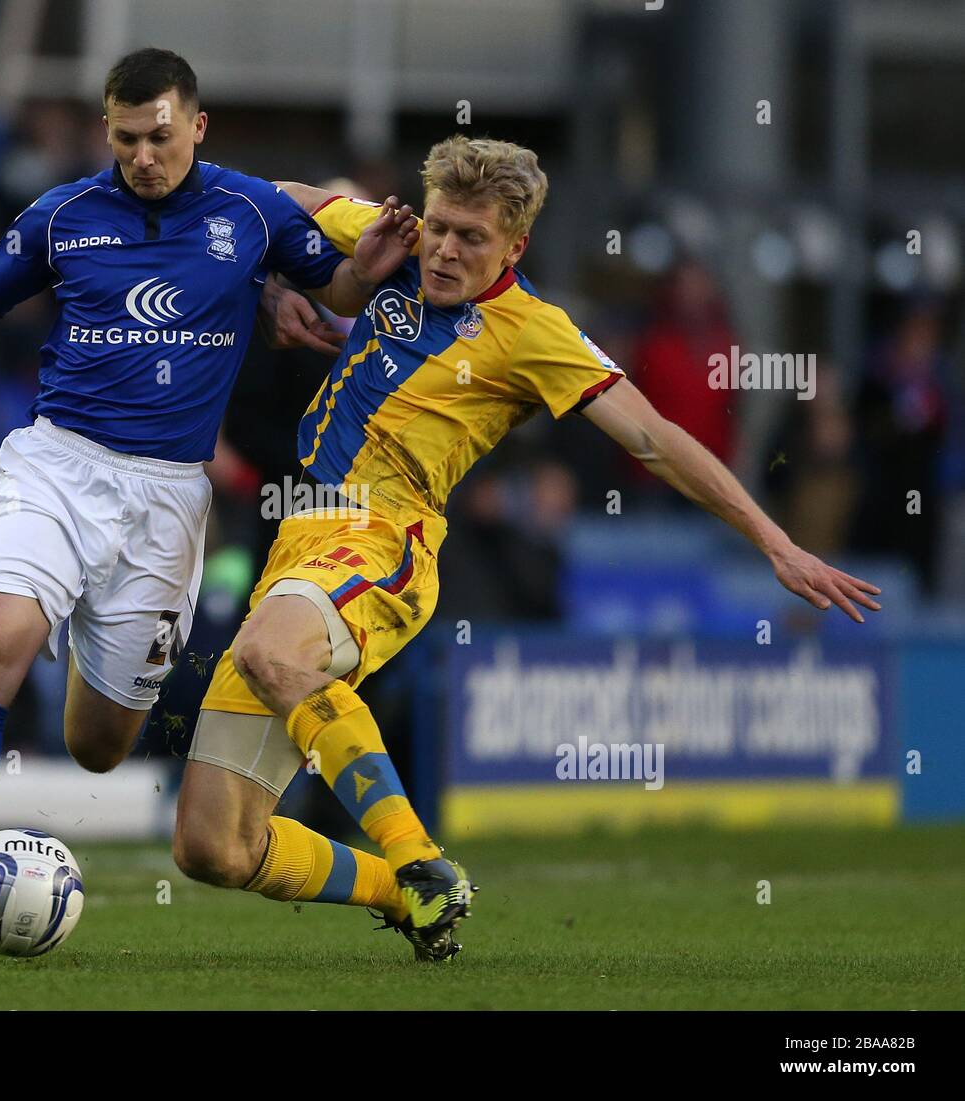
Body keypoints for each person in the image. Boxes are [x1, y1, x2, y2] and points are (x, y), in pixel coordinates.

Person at [172, 135, 883, 962]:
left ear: (515, 245)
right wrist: (268, 285)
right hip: (297, 539)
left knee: (265, 651)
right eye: (439, 226)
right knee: (212, 847)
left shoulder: (533, 332)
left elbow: (654, 436)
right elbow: (274, 195)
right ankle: (406, 893)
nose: (442, 248)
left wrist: (775, 540)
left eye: (470, 238)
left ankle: (418, 855)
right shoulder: (394, 242)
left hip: (382, 537)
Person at [0, 48, 415, 954]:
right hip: (57, 467)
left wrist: (368, 268)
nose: (143, 157)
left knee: (98, 743)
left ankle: (92, 642)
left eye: (160, 137)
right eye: (125, 139)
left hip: (166, 504)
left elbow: (338, 289)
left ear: (196, 127)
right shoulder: (65, 215)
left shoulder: (251, 213)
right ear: (107, 132)